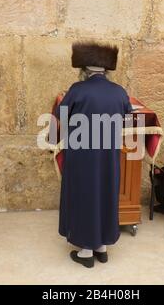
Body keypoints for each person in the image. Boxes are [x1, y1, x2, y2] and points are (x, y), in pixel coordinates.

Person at [56, 42, 132, 268]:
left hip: (82, 155)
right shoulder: (120, 91)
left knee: (84, 196)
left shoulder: (77, 90)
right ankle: (102, 248)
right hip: (109, 155)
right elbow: (126, 122)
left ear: (84, 71)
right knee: (105, 194)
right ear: (105, 71)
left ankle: (87, 252)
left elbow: (60, 120)